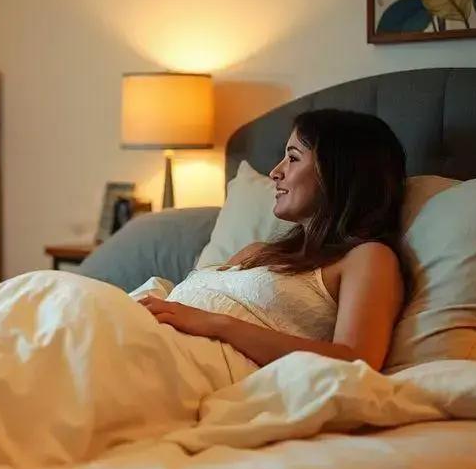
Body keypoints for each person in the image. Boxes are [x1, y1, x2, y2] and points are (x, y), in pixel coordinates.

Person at [138, 109, 407, 371]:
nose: (275, 172)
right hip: (151, 336)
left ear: (338, 170)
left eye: (293, 158)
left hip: (190, 363)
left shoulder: (367, 257)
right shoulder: (255, 252)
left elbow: (356, 362)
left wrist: (217, 324)